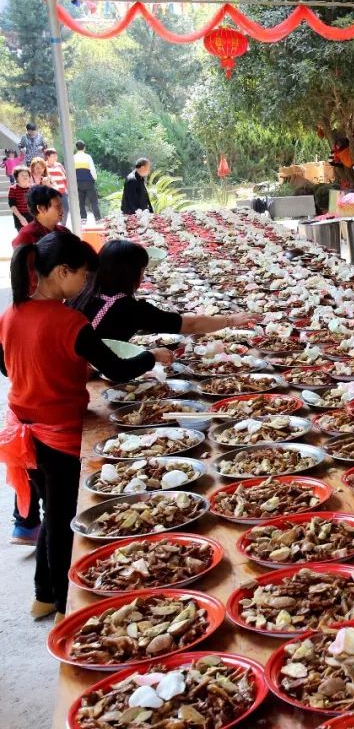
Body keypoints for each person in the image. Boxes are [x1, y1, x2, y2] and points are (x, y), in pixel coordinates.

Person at [0, 232, 174, 620]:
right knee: (64, 522)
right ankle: (64, 606)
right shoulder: (69, 321)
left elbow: (6, 365)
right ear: (62, 272)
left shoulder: (11, 313)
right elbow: (116, 366)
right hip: (59, 434)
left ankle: (43, 594)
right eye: (82, 275)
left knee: (50, 512)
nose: (86, 284)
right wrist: (150, 357)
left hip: (23, 427)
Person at [73, 240, 258, 340]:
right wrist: (230, 320)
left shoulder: (82, 290)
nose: (143, 277)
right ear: (130, 273)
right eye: (142, 271)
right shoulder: (127, 308)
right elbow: (190, 325)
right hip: (86, 375)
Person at [73, 141, 101, 223]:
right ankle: (97, 218)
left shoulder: (73, 157)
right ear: (84, 147)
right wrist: (95, 178)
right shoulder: (88, 157)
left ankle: (83, 218)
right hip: (88, 182)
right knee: (93, 201)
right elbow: (92, 169)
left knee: (81, 201)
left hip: (78, 182)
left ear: (76, 148)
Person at [44, 149, 70, 225]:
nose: (55, 157)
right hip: (51, 193)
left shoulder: (59, 165)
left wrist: (66, 188)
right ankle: (54, 225)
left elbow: (64, 177)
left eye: (56, 156)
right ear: (48, 156)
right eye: (53, 156)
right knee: (53, 210)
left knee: (65, 209)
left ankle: (63, 225)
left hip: (62, 191)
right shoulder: (44, 166)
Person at [7, 166, 31, 232]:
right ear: (17, 177)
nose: (25, 177)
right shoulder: (13, 189)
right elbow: (12, 205)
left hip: (32, 216)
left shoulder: (33, 188)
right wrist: (21, 218)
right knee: (23, 237)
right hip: (19, 216)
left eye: (27, 175)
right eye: (22, 175)